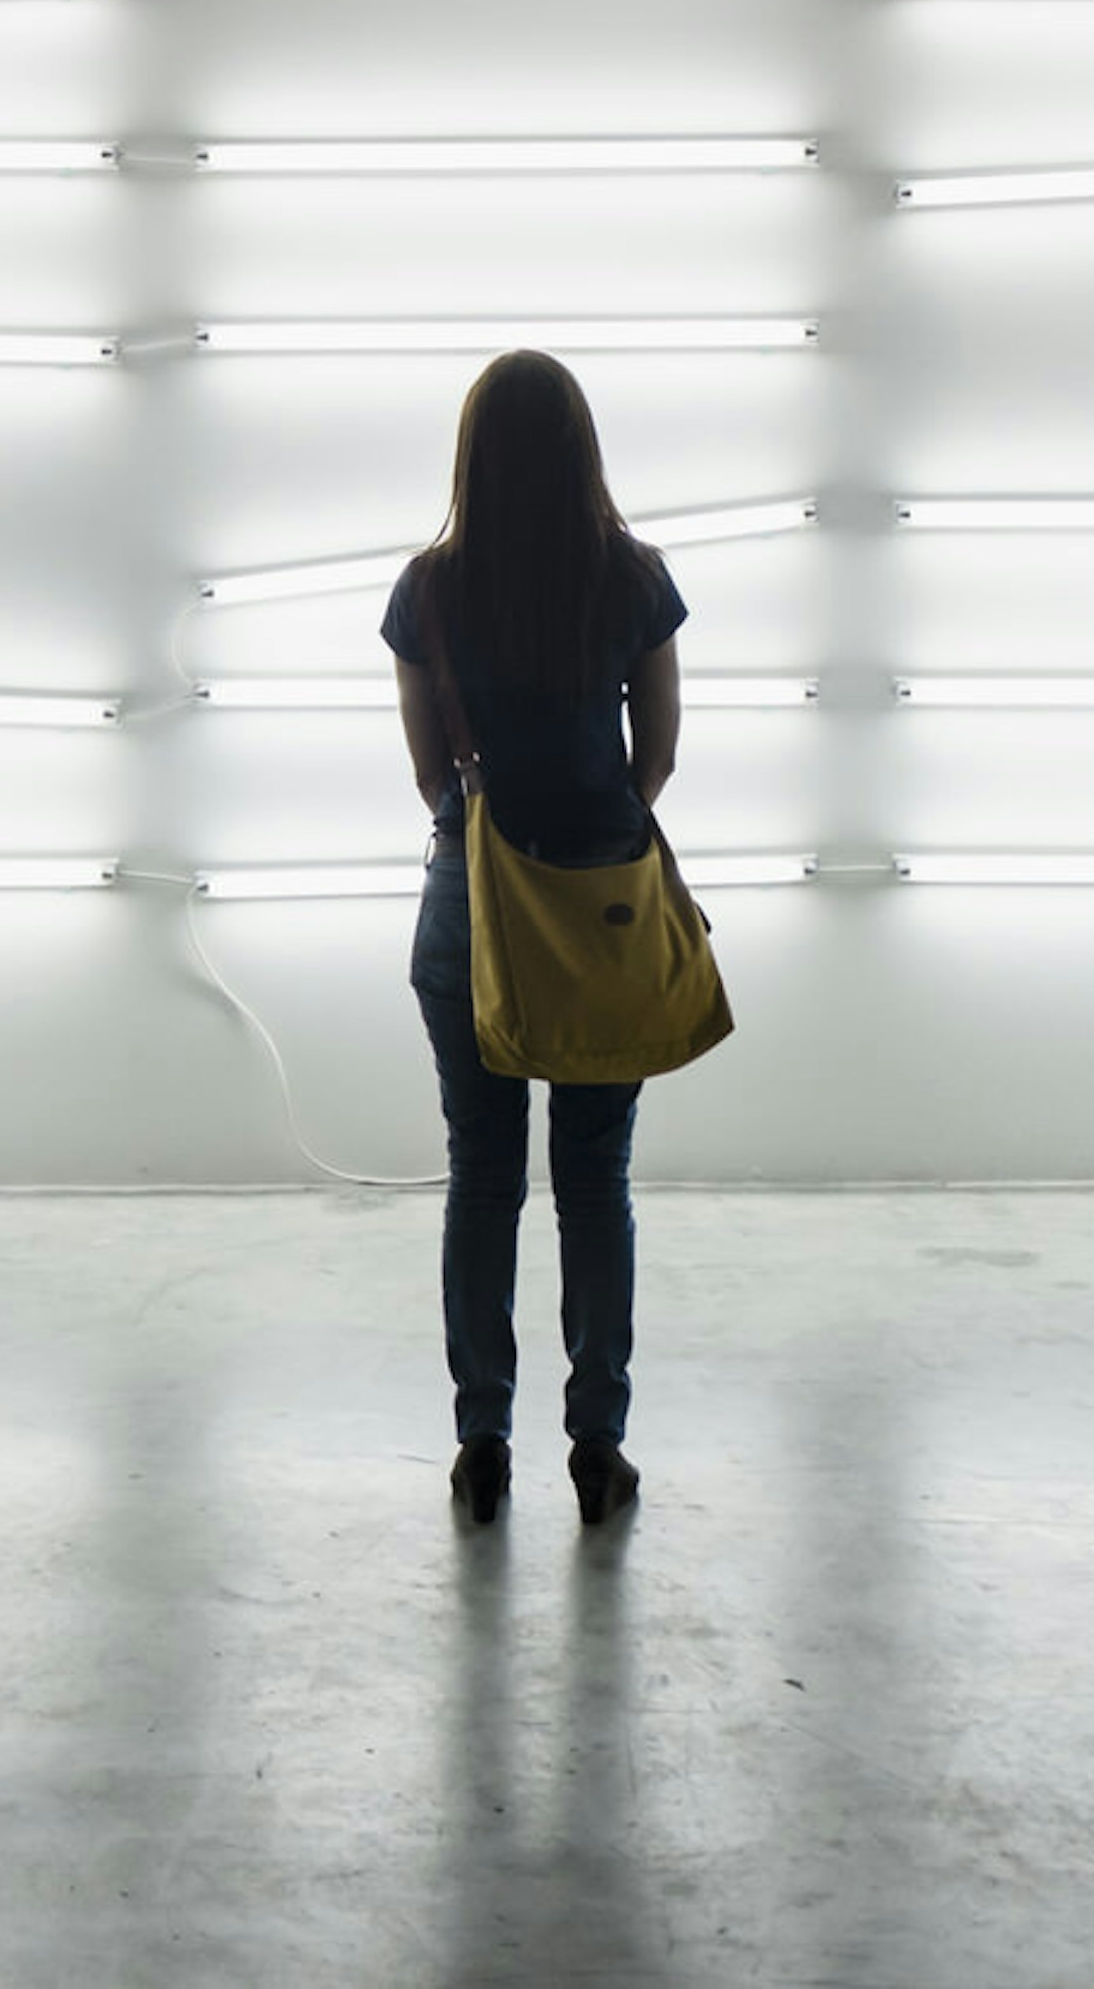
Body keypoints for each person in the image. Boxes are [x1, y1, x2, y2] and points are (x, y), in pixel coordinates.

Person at [383, 350, 682, 1528]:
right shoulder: (632, 577)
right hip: (604, 911)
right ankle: (598, 1442)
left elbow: (426, 774)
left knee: (484, 1177)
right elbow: (654, 755)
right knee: (594, 1180)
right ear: (581, 449)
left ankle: (480, 1437)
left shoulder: (429, 591)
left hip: (474, 911)